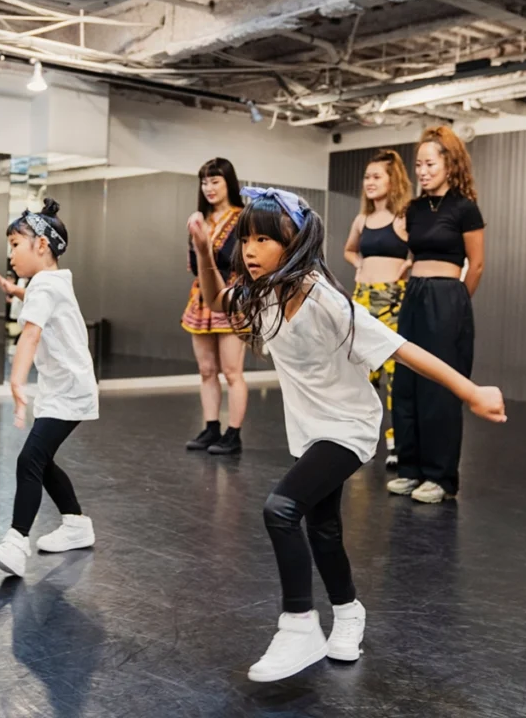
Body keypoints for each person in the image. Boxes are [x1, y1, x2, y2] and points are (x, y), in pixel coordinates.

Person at [188, 186, 505, 682]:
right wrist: (207, 251)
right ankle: (350, 612)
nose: (250, 250)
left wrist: (471, 391)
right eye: (245, 239)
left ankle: (299, 626)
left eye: (263, 239)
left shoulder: (324, 301)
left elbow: (402, 349)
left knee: (281, 509)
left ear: (294, 242)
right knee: (324, 529)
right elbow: (213, 300)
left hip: (350, 426)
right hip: (312, 432)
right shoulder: (262, 294)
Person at [0, 198, 99, 578]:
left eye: (16, 244)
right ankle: (77, 525)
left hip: (68, 391)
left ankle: (16, 543)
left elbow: (30, 333)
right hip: (64, 388)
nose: (10, 254)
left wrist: (16, 380)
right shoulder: (47, 282)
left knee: (29, 460)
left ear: (42, 246)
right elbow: (37, 302)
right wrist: (14, 290)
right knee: (41, 460)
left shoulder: (45, 286)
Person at [387, 127, 487, 504]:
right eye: (418, 164)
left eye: (430, 163)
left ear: (450, 163)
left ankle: (441, 478)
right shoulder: (413, 209)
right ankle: (411, 470)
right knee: (408, 383)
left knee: (440, 389)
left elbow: (475, 265)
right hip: (414, 296)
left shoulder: (464, 207)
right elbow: (413, 255)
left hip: (448, 298)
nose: (423, 171)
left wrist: (455, 304)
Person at [343, 150, 412, 466]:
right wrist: (358, 263)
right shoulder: (363, 219)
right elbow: (349, 250)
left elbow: (420, 249)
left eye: (376, 176)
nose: (369, 182)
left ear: (392, 179)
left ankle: (396, 445)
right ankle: (360, 440)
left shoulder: (403, 218)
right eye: (367, 177)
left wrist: (408, 266)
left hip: (393, 300)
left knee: (395, 376)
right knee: (363, 374)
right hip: (363, 300)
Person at [182, 158, 248, 455]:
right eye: (205, 182)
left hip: (232, 299)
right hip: (201, 299)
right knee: (207, 369)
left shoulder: (243, 217)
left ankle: (233, 433)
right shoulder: (200, 220)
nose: (208, 188)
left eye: (215, 181)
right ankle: (211, 427)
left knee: (232, 370)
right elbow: (195, 265)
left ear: (228, 183)